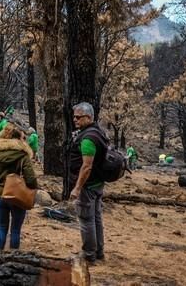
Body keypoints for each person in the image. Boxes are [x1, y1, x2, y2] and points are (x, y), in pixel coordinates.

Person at [0, 124, 37, 250]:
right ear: (19, 139)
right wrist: (31, 187)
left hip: (1, 195)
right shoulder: (23, 156)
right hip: (18, 196)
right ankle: (14, 258)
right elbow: (30, 178)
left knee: (2, 227)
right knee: (15, 230)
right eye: (23, 138)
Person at [70, 102, 108, 263]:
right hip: (98, 183)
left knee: (86, 220)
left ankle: (89, 254)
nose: (75, 120)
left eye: (78, 117)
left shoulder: (88, 139)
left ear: (89, 117)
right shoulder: (98, 132)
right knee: (96, 218)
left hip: (88, 185)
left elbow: (86, 166)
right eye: (74, 117)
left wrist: (77, 188)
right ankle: (99, 252)